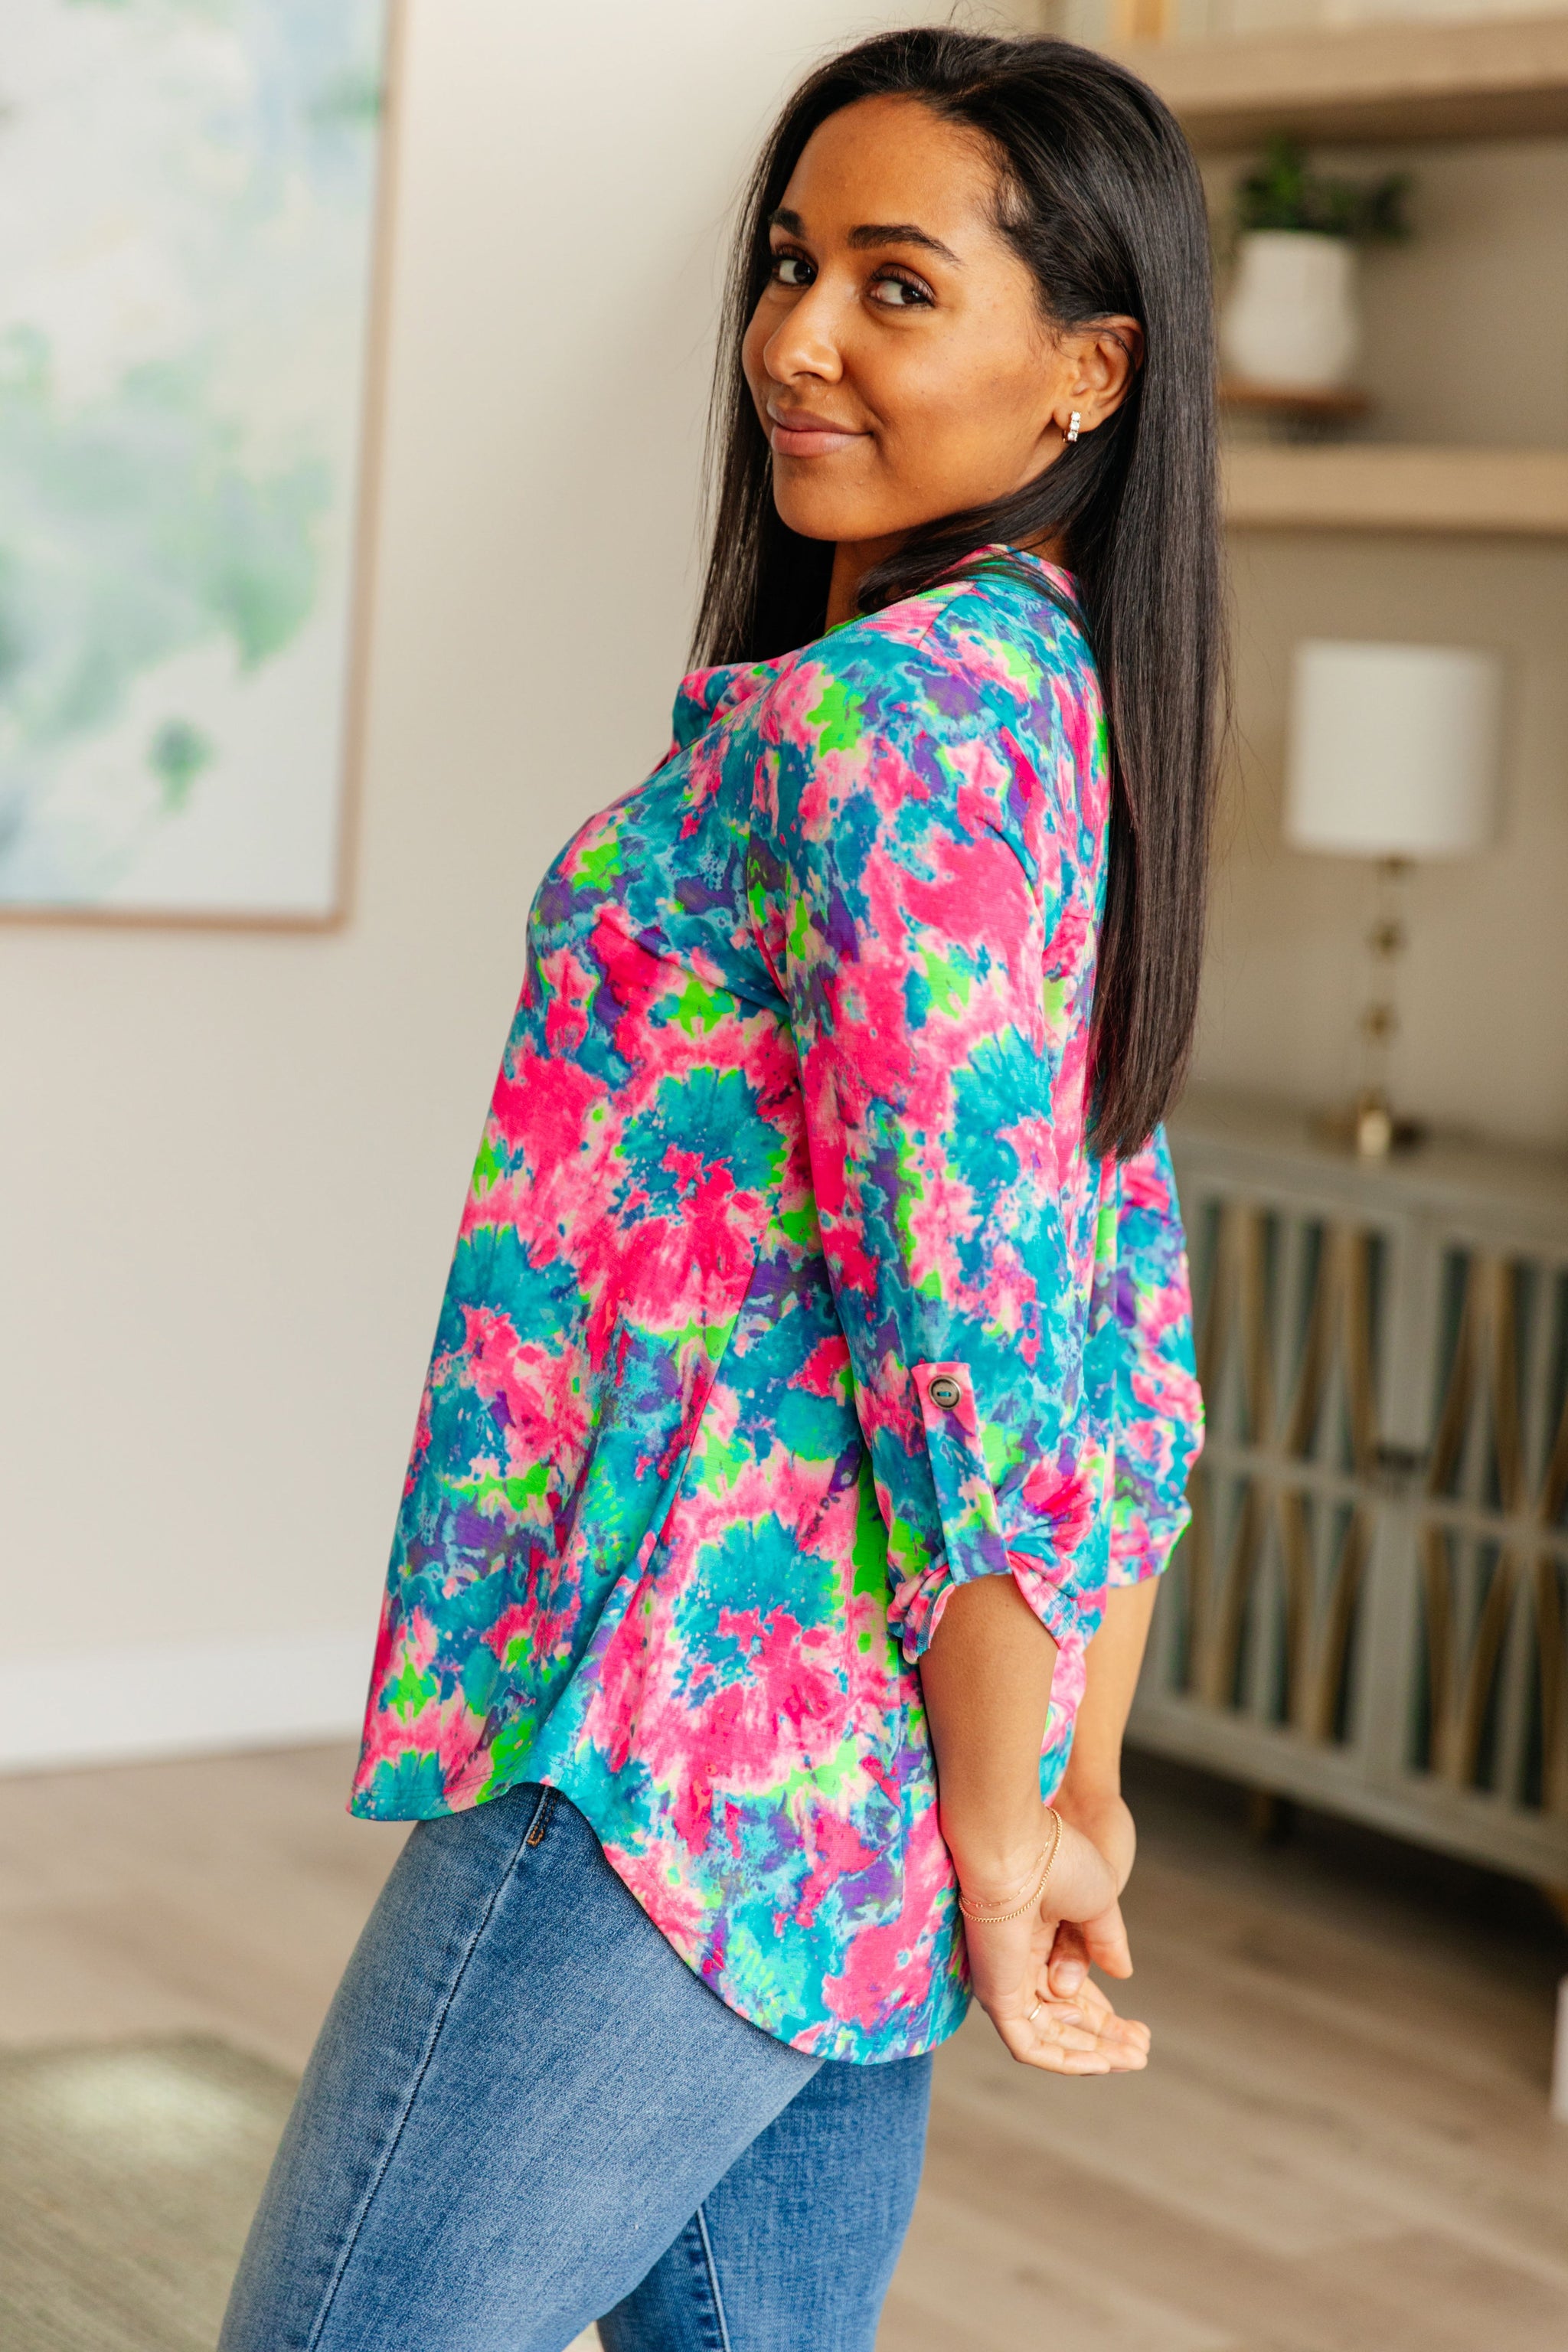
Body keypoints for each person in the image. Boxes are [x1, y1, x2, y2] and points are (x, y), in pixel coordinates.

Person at [220, 26, 1216, 2352]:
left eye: (897, 286)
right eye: (789, 265)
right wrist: (1060, 1783)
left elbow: (987, 1348)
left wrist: (1017, 1827)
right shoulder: (1045, 713)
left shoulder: (882, 727)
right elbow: (1119, 1318)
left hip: (685, 1738)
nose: (795, 339)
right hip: (858, 1784)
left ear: (1088, 372)